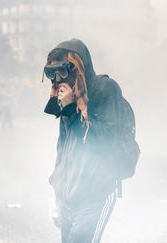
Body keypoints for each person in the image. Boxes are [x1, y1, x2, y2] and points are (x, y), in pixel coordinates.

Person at [44, 39, 123, 243]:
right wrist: (56, 194)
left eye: (63, 71)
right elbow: (63, 148)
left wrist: (74, 108)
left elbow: (106, 140)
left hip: (96, 190)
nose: (58, 79)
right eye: (51, 73)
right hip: (69, 192)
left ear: (78, 68)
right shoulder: (66, 98)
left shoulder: (105, 89)